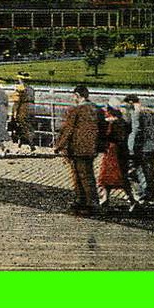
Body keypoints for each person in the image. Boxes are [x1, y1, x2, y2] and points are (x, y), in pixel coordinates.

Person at [53, 85, 100, 215]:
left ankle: (89, 202)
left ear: (78, 96)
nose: (73, 98)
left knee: (80, 176)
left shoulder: (76, 110)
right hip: (91, 148)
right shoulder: (96, 109)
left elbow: (68, 130)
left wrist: (58, 146)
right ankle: (84, 201)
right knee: (87, 174)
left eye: (74, 96)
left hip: (77, 147)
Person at [98, 98, 140, 211]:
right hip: (122, 150)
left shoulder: (111, 122)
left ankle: (105, 199)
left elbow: (106, 135)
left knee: (107, 176)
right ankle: (128, 199)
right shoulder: (123, 122)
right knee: (121, 176)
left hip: (111, 151)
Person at [124, 94, 154, 204]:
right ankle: (150, 195)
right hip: (152, 145)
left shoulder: (136, 113)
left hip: (141, 147)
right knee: (149, 172)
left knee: (134, 172)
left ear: (130, 102)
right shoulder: (151, 112)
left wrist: (131, 149)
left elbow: (136, 131)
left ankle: (140, 194)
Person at [11, 72, 38, 153]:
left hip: (23, 108)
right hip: (31, 107)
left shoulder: (20, 88)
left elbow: (17, 101)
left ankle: (31, 145)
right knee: (27, 126)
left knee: (21, 126)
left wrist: (14, 112)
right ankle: (19, 145)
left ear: (20, 79)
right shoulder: (31, 89)